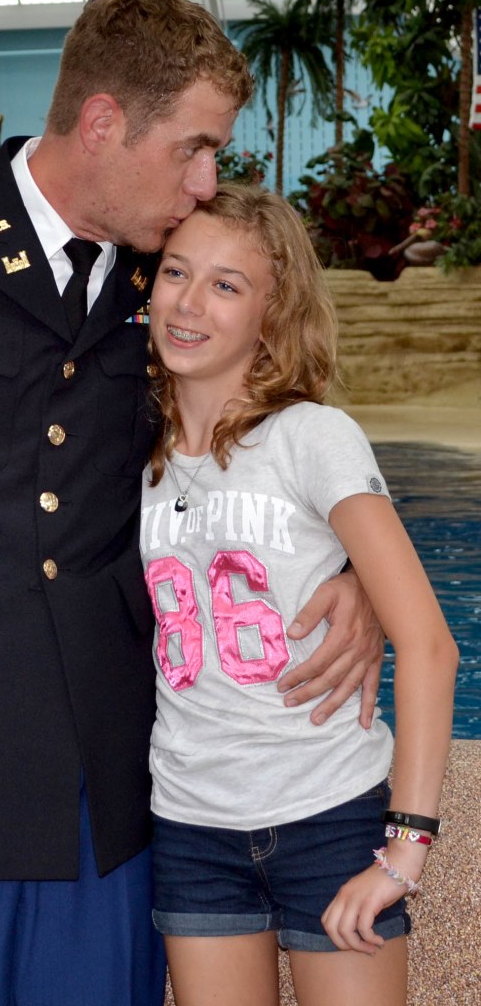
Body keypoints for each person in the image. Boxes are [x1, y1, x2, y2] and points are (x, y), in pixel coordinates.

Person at [0, 0, 382, 1006]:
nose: (203, 181)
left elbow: (270, 429)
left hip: (110, 783)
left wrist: (349, 567)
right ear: (102, 123)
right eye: (192, 147)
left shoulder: (165, 286)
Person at [141, 183, 459, 1006]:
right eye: (176, 272)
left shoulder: (312, 438)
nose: (188, 302)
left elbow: (428, 642)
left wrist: (406, 847)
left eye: (226, 285)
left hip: (329, 815)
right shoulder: (126, 453)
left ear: (272, 313)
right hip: (190, 826)